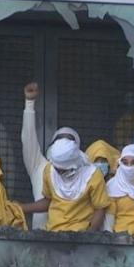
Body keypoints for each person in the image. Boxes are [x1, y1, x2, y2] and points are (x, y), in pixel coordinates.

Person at [21, 81, 83, 229]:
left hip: (73, 244)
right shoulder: (40, 167)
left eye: (69, 141)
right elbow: (28, 139)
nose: (63, 144)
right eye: (59, 140)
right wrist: (29, 103)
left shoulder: (86, 174)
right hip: (40, 240)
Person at [19, 138, 110, 232]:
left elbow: (100, 208)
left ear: (72, 165)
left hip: (80, 234)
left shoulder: (93, 176)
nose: (57, 171)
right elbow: (48, 201)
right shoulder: (49, 171)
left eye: (61, 169)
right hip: (52, 232)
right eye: (56, 167)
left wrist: (90, 234)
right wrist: (21, 208)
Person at [105, 144, 134, 235]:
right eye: (125, 162)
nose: (129, 167)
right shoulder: (113, 186)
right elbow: (108, 222)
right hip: (121, 240)